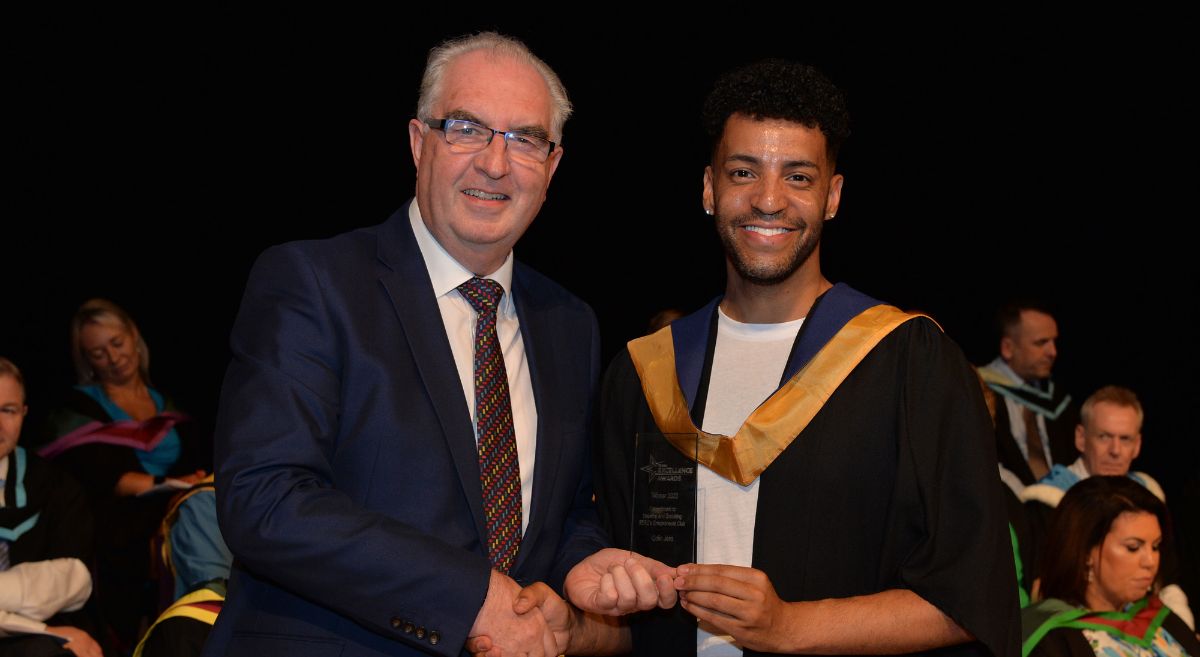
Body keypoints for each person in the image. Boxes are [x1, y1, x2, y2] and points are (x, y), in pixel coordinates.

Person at [204, 31, 673, 657]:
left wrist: (582, 566)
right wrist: (472, 598)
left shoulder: (570, 323)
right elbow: (265, 499)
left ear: (553, 166)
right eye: (467, 129)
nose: (495, 163)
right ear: (419, 142)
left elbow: (559, 514)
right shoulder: (312, 283)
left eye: (525, 139)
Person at [595, 59, 1019, 657]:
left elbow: (974, 597)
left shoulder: (909, 363)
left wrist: (789, 629)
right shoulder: (641, 375)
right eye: (744, 172)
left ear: (833, 197)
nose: (769, 200)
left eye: (798, 177)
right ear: (710, 189)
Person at [37, 298, 210, 650]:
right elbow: (107, 478)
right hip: (119, 526)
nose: (114, 359)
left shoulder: (168, 402)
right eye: (98, 353)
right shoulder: (77, 412)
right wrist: (176, 485)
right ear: (86, 360)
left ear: (134, 337)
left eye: (117, 343)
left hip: (178, 508)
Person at [1020, 386, 1191, 629]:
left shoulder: (1149, 496)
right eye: (1104, 437)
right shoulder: (1049, 502)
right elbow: (1043, 591)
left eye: (1125, 439)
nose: (1115, 451)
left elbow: (1169, 579)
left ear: (1138, 444)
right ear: (1081, 438)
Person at [1021, 476, 1199, 657]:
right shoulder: (1051, 637)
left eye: (1155, 546)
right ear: (1086, 552)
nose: (1150, 561)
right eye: (1133, 547)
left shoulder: (1159, 618)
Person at [0, 357, 103, 657]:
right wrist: (40, 627)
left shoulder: (55, 484)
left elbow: (75, 579)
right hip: (39, 630)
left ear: (24, 413)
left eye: (8, 410)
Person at [979, 301, 1079, 488]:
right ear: (1008, 348)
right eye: (1041, 343)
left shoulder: (1057, 400)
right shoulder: (979, 393)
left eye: (1054, 341)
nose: (1053, 352)